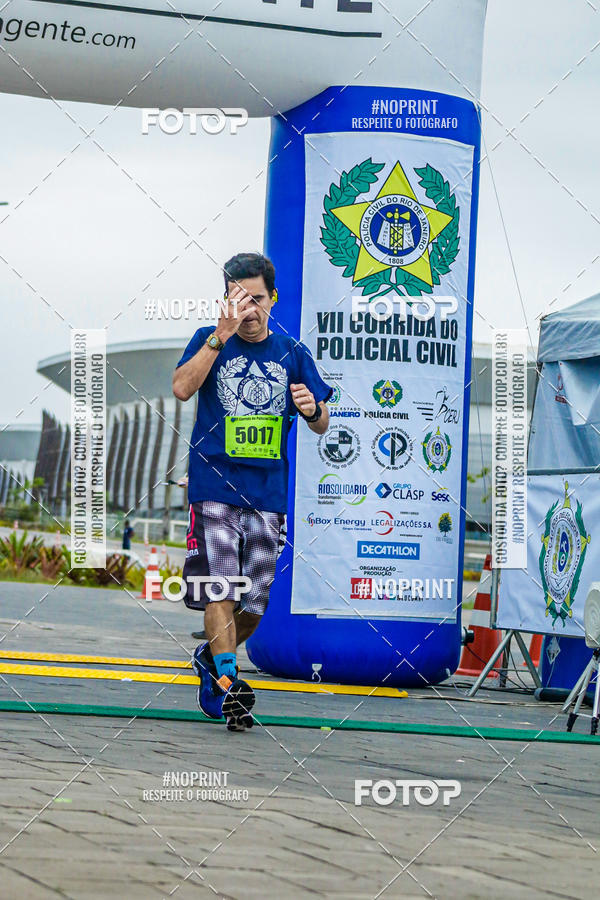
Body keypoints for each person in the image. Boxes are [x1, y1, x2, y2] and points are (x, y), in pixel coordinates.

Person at [173, 252, 331, 731]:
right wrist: (218, 339)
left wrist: (311, 410)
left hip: (268, 493)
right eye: (238, 299)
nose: (248, 309)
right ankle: (228, 683)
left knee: (255, 603)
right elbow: (181, 389)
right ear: (225, 300)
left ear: (272, 299)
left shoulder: (291, 352)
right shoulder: (209, 340)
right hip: (213, 484)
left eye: (256, 299)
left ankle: (209, 656)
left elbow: (323, 423)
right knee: (219, 583)